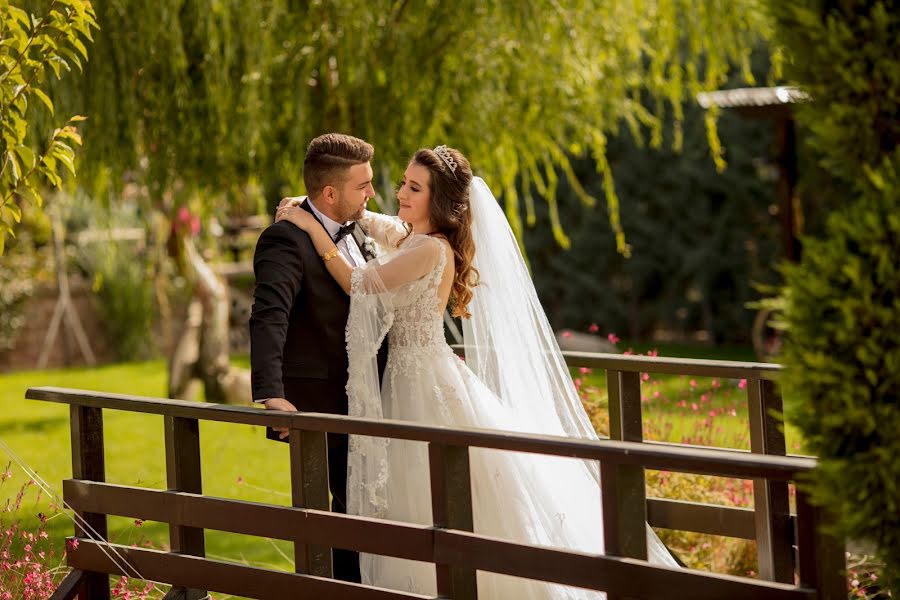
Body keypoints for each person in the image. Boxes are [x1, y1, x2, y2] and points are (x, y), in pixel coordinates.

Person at [275, 145, 678, 597]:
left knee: (434, 491)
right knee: (415, 497)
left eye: (414, 187)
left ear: (439, 200)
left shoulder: (431, 249)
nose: (399, 192)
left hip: (423, 385)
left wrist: (310, 225)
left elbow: (359, 283)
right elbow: (375, 223)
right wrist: (316, 203)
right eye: (404, 182)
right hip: (408, 379)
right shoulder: (412, 238)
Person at [249, 132, 380, 583]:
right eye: (363, 186)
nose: (371, 194)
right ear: (329, 193)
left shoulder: (360, 228)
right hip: (322, 400)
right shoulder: (284, 240)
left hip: (371, 396)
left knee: (369, 514)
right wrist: (272, 394)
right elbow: (269, 316)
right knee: (345, 516)